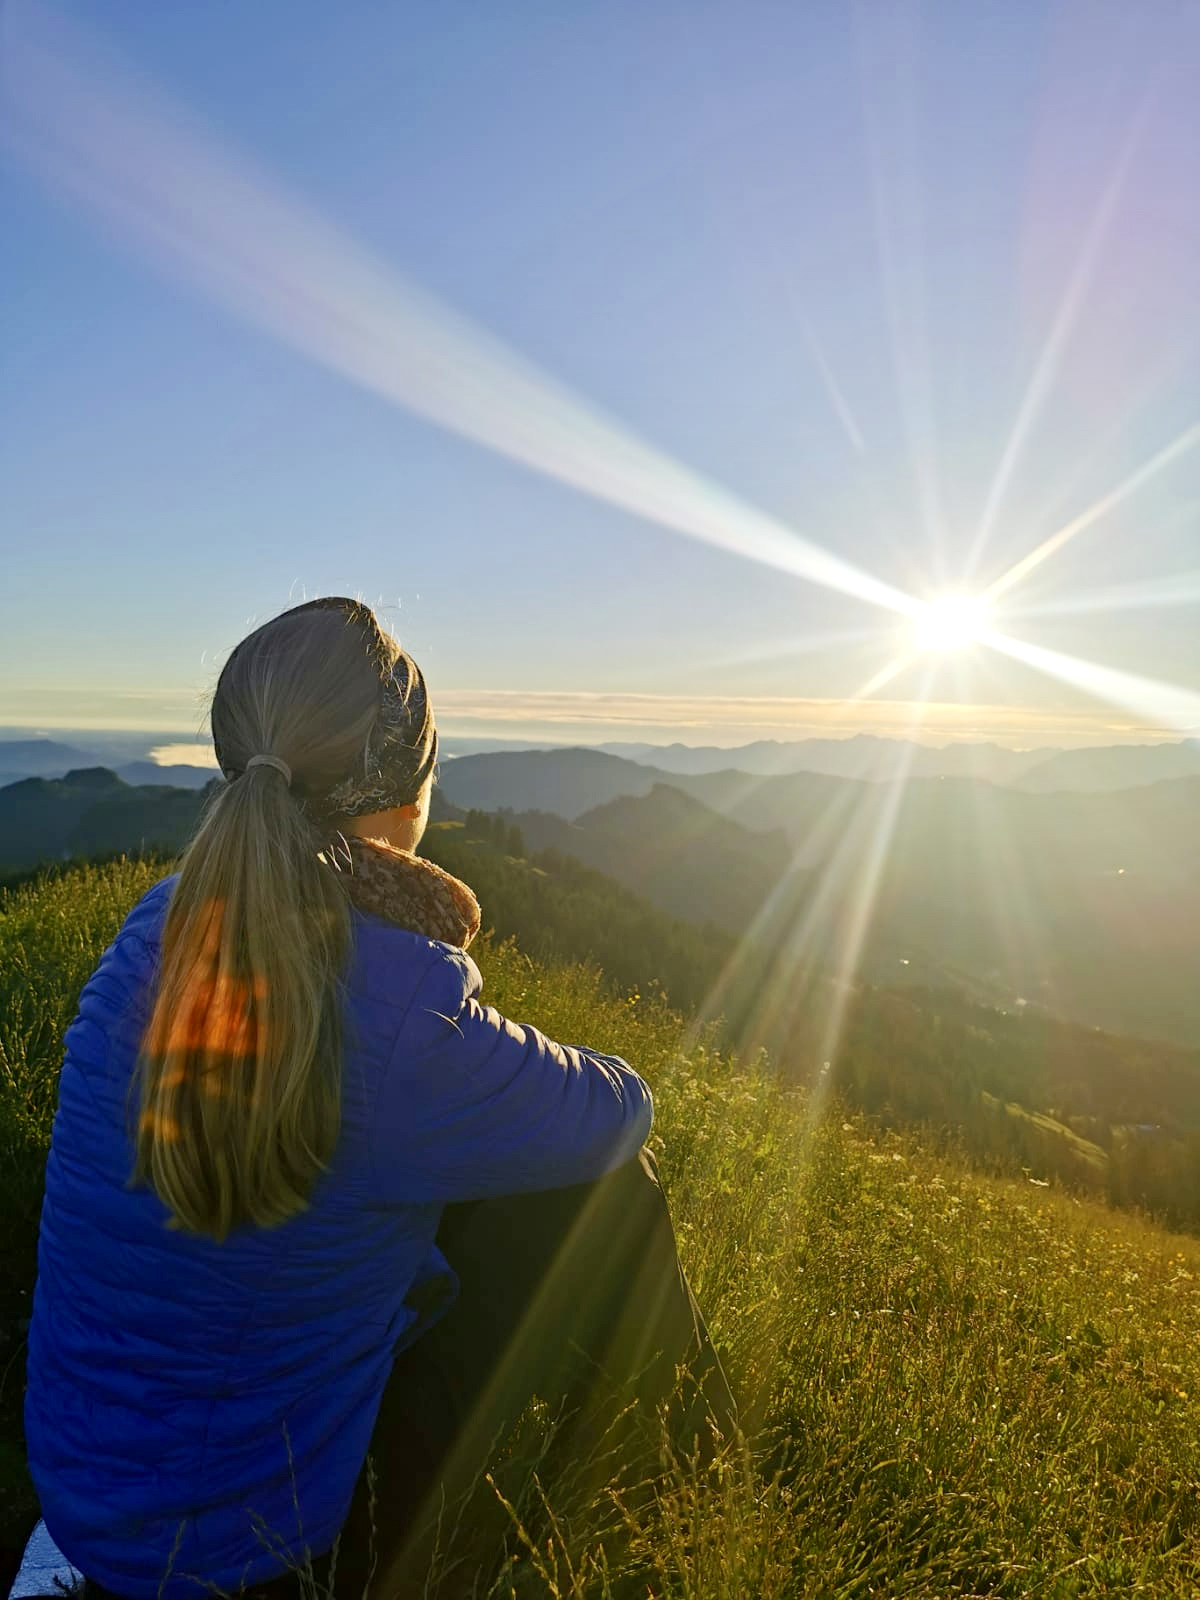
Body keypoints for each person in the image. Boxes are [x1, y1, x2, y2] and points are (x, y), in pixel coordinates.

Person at [23, 596, 736, 1600]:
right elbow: (622, 1111)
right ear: (410, 791)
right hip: (258, 1555)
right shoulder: (401, 1016)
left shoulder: (156, 928)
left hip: (95, 1506)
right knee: (606, 1190)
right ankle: (694, 1480)